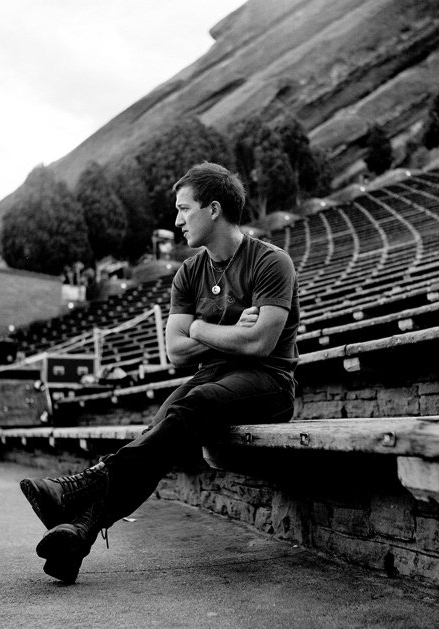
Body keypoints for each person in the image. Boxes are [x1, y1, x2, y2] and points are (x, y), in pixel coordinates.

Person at [20, 162, 300, 584]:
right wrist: (225, 331)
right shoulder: (189, 273)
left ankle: (83, 486)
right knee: (162, 426)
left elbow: (260, 343)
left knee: (193, 404)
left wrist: (200, 329)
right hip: (213, 377)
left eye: (184, 209)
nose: (177, 220)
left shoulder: (271, 262)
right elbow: (175, 351)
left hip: (269, 383)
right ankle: (78, 536)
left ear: (213, 209)